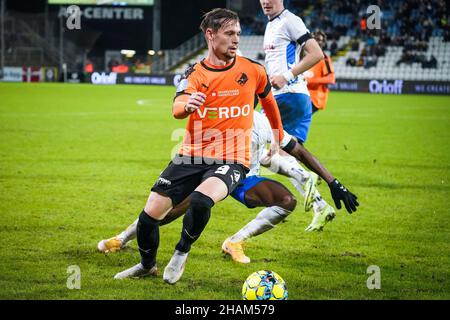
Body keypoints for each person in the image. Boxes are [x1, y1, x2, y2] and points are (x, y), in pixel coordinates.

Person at [112, 8, 286, 284]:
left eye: (238, 34)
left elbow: (268, 102)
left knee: (201, 201)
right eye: (229, 33)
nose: (236, 39)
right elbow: (177, 106)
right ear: (210, 35)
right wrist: (187, 105)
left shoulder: (253, 70)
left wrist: (277, 134)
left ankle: (181, 252)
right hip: (191, 155)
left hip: (233, 157)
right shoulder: (195, 72)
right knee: (149, 218)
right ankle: (147, 266)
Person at [99, 111, 359, 264]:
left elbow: (299, 150)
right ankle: (121, 239)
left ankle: (234, 242)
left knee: (285, 200)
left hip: (242, 176)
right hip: (206, 171)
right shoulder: (217, 113)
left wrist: (334, 183)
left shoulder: (263, 121)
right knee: (165, 213)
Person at [259, 0, 337, 227]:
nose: (265, 1)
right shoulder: (271, 25)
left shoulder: (290, 20)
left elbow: (316, 54)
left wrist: (287, 75)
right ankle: (320, 207)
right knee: (280, 157)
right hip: (287, 97)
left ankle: (303, 180)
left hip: (288, 97)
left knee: (259, 148)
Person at [303, 31, 336, 114]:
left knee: (297, 120)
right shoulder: (303, 56)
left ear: (323, 43)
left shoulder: (324, 59)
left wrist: (309, 81)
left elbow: (331, 79)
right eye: (314, 39)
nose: (316, 42)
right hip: (302, 95)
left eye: (319, 40)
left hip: (315, 98)